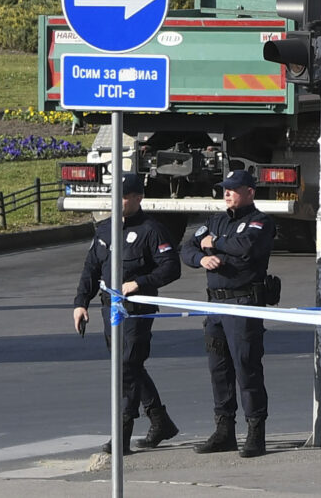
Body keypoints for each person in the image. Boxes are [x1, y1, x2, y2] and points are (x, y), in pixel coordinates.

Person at [72, 173, 183, 449]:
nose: (117, 201)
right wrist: (80, 303)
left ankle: (122, 431)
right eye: (115, 196)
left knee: (127, 365)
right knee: (126, 366)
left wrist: (139, 282)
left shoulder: (151, 229)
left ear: (137, 198)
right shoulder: (104, 229)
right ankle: (160, 420)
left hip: (137, 309)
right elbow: (91, 268)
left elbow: (171, 267)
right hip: (110, 308)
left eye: (123, 196)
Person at [180, 166, 277, 458]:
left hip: (243, 303)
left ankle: (255, 433)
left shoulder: (259, 222)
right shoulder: (216, 220)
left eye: (233, 189)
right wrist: (201, 258)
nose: (227, 193)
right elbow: (186, 248)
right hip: (215, 307)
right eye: (225, 189)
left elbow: (247, 247)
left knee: (246, 367)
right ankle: (224, 431)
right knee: (218, 369)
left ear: (250, 192)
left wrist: (216, 245)